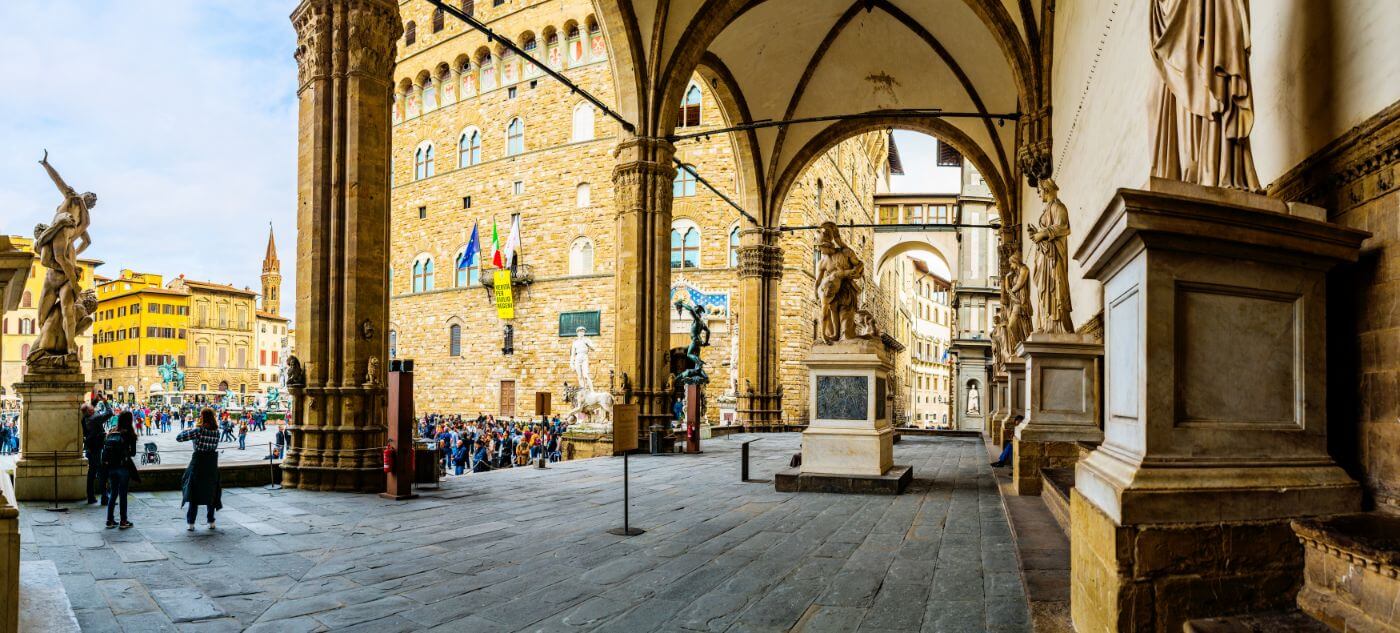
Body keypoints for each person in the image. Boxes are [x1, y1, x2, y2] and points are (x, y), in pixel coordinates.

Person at [176, 408, 223, 530]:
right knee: (210, 492)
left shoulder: (198, 431)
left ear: (203, 417)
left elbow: (179, 438)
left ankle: (191, 523)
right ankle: (211, 521)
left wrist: (187, 430)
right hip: (212, 465)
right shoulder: (217, 432)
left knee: (193, 492)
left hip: (198, 464)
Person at [101, 412, 139, 529]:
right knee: (123, 495)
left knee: (113, 494)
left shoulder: (112, 431)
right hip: (123, 468)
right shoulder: (129, 434)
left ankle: (110, 520)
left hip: (111, 468)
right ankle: (123, 521)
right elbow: (133, 453)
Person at [82, 400, 114, 505]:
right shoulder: (95, 419)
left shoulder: (84, 419)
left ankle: (91, 497)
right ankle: (105, 498)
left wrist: (94, 400)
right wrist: (105, 402)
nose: (94, 409)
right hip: (98, 449)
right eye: (92, 408)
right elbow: (110, 413)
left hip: (89, 449)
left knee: (91, 473)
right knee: (102, 474)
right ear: (90, 411)